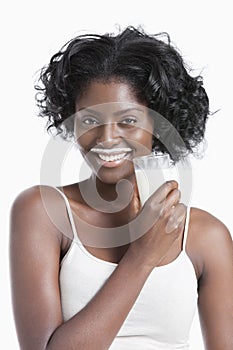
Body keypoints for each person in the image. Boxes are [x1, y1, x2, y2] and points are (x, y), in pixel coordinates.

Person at [10, 26, 233, 350]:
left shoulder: (206, 237)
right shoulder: (44, 212)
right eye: (88, 121)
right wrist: (142, 256)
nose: (107, 139)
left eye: (128, 121)